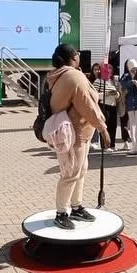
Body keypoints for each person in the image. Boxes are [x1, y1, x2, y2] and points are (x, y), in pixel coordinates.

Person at [47, 44, 111, 230]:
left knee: (79, 171)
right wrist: (103, 128)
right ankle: (61, 213)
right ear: (73, 57)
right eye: (77, 54)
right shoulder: (74, 76)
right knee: (71, 173)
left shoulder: (62, 74)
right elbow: (87, 105)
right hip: (74, 134)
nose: (79, 56)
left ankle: (76, 207)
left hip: (76, 133)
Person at [120, 59, 137, 155]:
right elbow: (122, 84)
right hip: (130, 105)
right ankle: (134, 146)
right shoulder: (125, 76)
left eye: (135, 68)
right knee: (132, 126)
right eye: (132, 69)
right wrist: (133, 82)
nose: (134, 70)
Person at [93, 63, 120, 152]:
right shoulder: (98, 81)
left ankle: (112, 145)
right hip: (104, 106)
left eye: (110, 71)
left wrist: (116, 94)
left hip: (113, 106)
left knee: (113, 126)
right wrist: (107, 94)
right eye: (107, 71)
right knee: (105, 126)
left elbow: (118, 94)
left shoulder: (113, 82)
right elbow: (94, 95)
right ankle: (105, 145)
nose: (109, 73)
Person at [117, 60, 132, 150]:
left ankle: (129, 142)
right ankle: (126, 142)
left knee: (128, 123)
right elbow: (122, 89)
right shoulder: (124, 77)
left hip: (132, 104)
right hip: (125, 104)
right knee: (124, 123)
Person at [87, 63, 101, 150]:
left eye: (98, 69)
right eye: (95, 69)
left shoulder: (102, 79)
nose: (97, 71)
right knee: (91, 122)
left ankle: (96, 141)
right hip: (92, 103)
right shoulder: (89, 80)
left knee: (98, 122)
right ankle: (91, 140)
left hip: (100, 103)